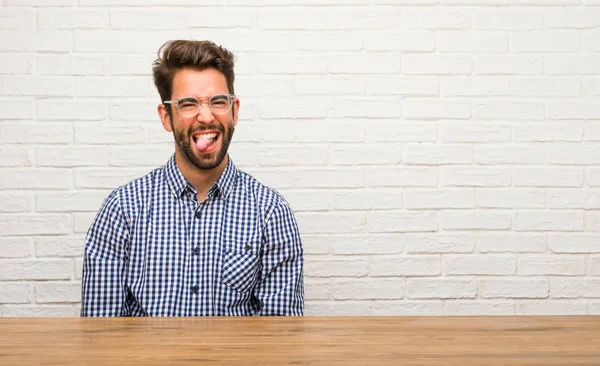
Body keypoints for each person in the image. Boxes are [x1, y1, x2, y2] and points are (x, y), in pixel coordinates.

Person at [81, 40, 304, 317]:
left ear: (234, 111)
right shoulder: (122, 210)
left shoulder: (271, 212)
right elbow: (102, 337)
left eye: (218, 102)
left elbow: (280, 338)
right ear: (166, 117)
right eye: (188, 104)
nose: (206, 116)